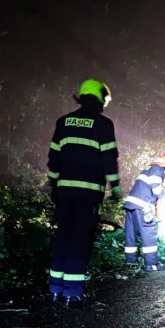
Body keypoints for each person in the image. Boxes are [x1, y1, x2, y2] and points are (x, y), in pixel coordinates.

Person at [46, 78, 120, 308]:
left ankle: (55, 289)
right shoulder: (103, 125)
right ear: (100, 99)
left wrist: (54, 185)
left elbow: (53, 158)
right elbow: (109, 159)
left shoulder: (64, 122)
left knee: (63, 236)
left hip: (64, 192)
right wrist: (115, 186)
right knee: (80, 239)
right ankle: (73, 292)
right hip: (88, 194)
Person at [123, 150, 165, 272]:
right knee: (149, 232)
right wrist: (163, 198)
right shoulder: (158, 169)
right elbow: (155, 186)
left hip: (131, 204)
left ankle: (131, 263)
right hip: (143, 204)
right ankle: (151, 264)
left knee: (130, 235)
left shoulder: (150, 167)